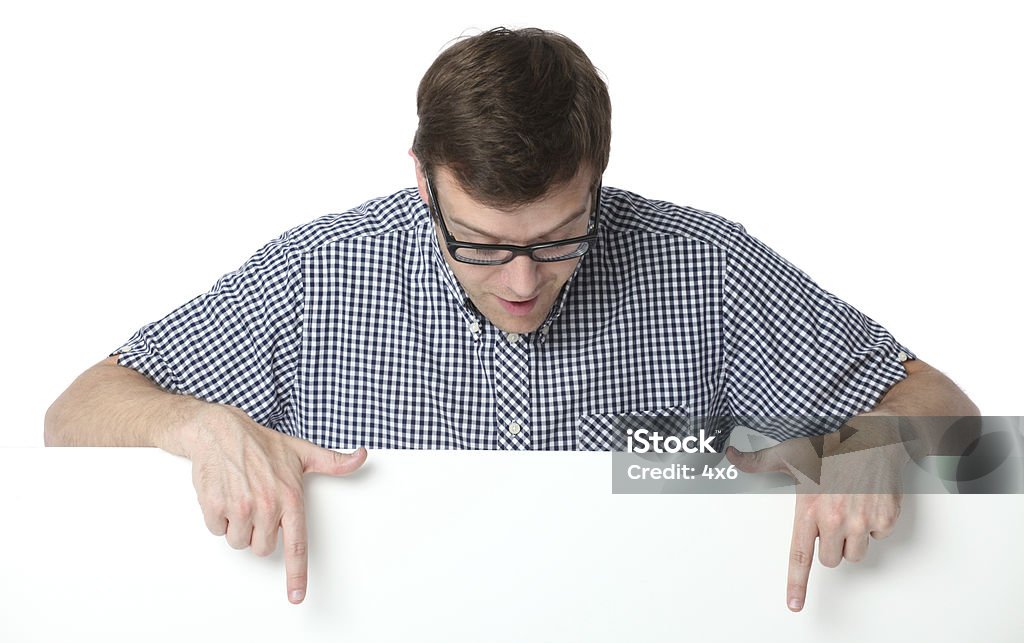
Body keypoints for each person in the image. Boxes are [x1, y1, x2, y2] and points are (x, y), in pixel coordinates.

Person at [44, 27, 977, 611]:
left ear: (598, 176)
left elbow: (943, 404)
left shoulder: (707, 265)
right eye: (484, 243)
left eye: (562, 234)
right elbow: (74, 412)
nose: (525, 279)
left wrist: (876, 439)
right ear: (424, 180)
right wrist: (196, 423)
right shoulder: (314, 276)